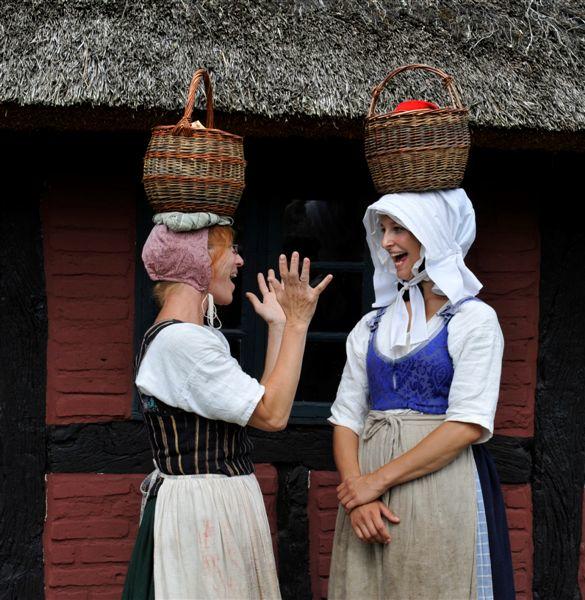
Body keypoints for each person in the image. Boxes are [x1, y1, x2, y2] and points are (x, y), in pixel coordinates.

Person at [122, 223, 332, 599]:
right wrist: (300, 322)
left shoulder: (184, 337)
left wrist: (279, 327)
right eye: (230, 250)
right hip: (203, 511)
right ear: (199, 262)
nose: (239, 260)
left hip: (209, 503)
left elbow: (262, 401)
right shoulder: (183, 343)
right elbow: (274, 415)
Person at [328, 189, 515, 600]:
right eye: (382, 230)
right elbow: (346, 418)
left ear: (434, 235)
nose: (386, 242)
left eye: (399, 229)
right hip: (366, 500)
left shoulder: (473, 321)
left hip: (441, 491)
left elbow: (467, 425)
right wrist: (357, 494)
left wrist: (374, 482)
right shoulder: (372, 326)